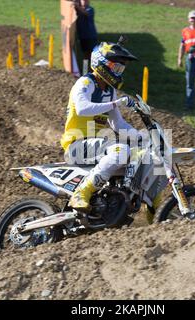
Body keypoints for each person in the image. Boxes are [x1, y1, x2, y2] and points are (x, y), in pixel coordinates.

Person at [60, 41, 140, 212]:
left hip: (94, 145)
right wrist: (116, 103)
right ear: (101, 62)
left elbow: (118, 124)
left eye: (120, 69)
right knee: (120, 151)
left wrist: (143, 138)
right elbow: (82, 109)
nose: (117, 72)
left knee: (137, 154)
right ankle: (81, 193)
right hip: (76, 145)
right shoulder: (85, 83)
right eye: (115, 67)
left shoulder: (109, 91)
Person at [74, 0, 98, 71]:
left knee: (92, 56)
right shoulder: (79, 9)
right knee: (85, 55)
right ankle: (85, 72)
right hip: (83, 37)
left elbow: (85, 13)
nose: (84, 2)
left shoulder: (90, 9)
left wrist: (77, 6)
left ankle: (93, 72)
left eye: (86, 0)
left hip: (91, 36)